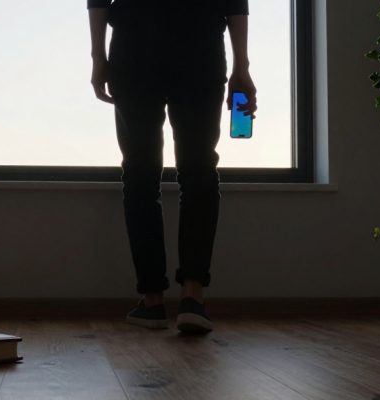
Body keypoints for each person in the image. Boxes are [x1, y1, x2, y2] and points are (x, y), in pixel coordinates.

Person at [88, 0, 257, 334]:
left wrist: (99, 58)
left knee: (139, 173)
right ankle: (193, 296)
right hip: (200, 48)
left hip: (135, 49)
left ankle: (152, 301)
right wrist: (241, 66)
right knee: (199, 170)